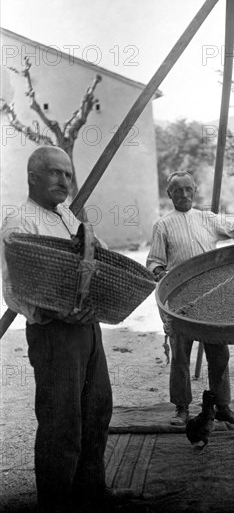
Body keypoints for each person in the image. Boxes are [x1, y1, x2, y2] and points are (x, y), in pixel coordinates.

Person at [1, 147, 132, 513]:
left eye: (68, 175)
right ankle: (56, 504)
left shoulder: (66, 217)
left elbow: (97, 257)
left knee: (96, 411)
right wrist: (53, 310)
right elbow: (12, 292)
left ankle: (91, 493)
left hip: (88, 328)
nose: (64, 181)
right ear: (33, 177)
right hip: (54, 334)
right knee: (62, 423)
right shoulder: (19, 223)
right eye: (55, 173)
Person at [146, 171, 234, 426]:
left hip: (211, 296)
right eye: (177, 191)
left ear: (194, 190)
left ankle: (222, 406)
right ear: (169, 194)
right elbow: (154, 262)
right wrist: (162, 274)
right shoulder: (163, 225)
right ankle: (182, 408)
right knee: (180, 354)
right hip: (181, 300)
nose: (184, 195)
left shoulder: (207, 218)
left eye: (188, 190)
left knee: (219, 353)